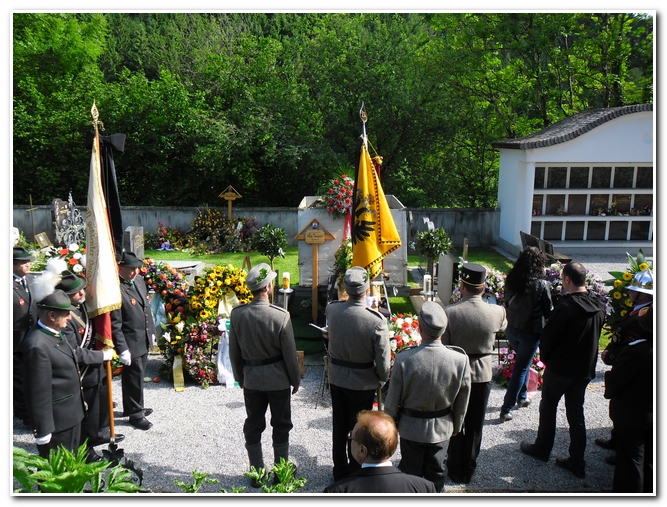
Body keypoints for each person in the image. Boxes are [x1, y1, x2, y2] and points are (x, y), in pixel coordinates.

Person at [520, 262, 606, 479]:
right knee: (576, 414)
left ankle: (542, 449)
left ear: (567, 279)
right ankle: (577, 461)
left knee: (548, 408)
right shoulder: (599, 306)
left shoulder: (565, 307)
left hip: (560, 370)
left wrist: (546, 359)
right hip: (584, 370)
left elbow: (548, 338)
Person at [384, 301, 471, 492]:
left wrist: (389, 425)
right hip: (442, 428)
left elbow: (392, 400)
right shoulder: (459, 360)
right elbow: (462, 400)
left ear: (420, 327)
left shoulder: (405, 359)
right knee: (437, 473)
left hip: (410, 428)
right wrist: (456, 425)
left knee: (409, 473)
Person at [229, 262, 301, 488]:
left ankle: (257, 472)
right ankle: (281, 473)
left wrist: (241, 377)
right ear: (268, 287)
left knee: (253, 424)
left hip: (252, 379)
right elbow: (290, 355)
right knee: (281, 424)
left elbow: (234, 353)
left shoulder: (238, 315)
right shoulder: (280, 316)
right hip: (278, 380)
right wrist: (295, 379)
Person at [325, 266, 391, 481]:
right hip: (363, 383)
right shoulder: (376, 319)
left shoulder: (332, 310)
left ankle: (339, 470)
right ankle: (356, 470)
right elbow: (382, 359)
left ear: (345, 287)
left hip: (337, 378)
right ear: (367, 288)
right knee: (360, 429)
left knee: (339, 425)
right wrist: (382, 378)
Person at [443, 263, 507, 484]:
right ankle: (468, 467)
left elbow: (444, 344)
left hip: (457, 372)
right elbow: (503, 327)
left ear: (461, 285)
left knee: (455, 420)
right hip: (482, 373)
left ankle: (453, 465)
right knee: (475, 423)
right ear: (484, 286)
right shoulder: (497, 311)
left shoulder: (450, 312)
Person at [56, 270, 123, 462]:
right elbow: (73, 351)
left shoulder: (83, 306)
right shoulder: (64, 316)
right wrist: (100, 355)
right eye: (77, 292)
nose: (82, 293)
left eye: (82, 289)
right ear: (66, 296)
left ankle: (99, 434)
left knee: (99, 408)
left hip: (95, 369)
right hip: (82, 372)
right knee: (86, 415)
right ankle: (86, 449)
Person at [21, 290, 88, 458]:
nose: (70, 318)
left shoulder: (54, 332)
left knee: (71, 465)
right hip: (57, 424)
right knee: (55, 475)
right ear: (52, 315)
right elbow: (37, 392)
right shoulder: (37, 345)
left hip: (70, 416)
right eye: (66, 314)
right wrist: (42, 429)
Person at [595, 268, 654, 459]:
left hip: (630, 365)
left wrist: (613, 356)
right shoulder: (638, 310)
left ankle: (622, 449)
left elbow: (633, 344)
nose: (629, 292)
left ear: (643, 294)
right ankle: (616, 439)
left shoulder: (644, 318)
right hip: (624, 360)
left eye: (633, 290)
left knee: (626, 406)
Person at [323, 410, 437, 493]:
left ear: (362, 450)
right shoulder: (424, 488)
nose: (350, 440)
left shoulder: (337, 492)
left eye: (351, 437)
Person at [499, 246, 553, 422]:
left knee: (523, 363)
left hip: (511, 329)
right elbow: (549, 309)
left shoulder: (513, 280)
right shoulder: (541, 284)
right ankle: (507, 407)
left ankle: (522, 397)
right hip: (530, 332)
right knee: (521, 368)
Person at [604, 303, 652, 493]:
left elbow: (616, 381)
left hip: (633, 415)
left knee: (630, 463)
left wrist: (609, 389)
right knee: (650, 460)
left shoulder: (635, 350)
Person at [111, 251, 156, 431]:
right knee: (133, 377)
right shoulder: (117, 288)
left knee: (138, 375)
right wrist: (122, 348)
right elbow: (116, 322)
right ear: (120, 267)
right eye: (130, 269)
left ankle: (134, 406)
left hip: (142, 337)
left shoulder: (138, 280)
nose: (134, 272)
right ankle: (135, 414)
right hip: (130, 340)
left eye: (136, 268)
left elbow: (146, 307)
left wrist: (151, 331)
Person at [13, 247, 37, 425]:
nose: (28, 264)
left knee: (32, 375)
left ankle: (31, 408)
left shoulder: (30, 280)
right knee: (18, 378)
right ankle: (23, 413)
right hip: (15, 340)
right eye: (23, 262)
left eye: (28, 261)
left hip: (32, 337)